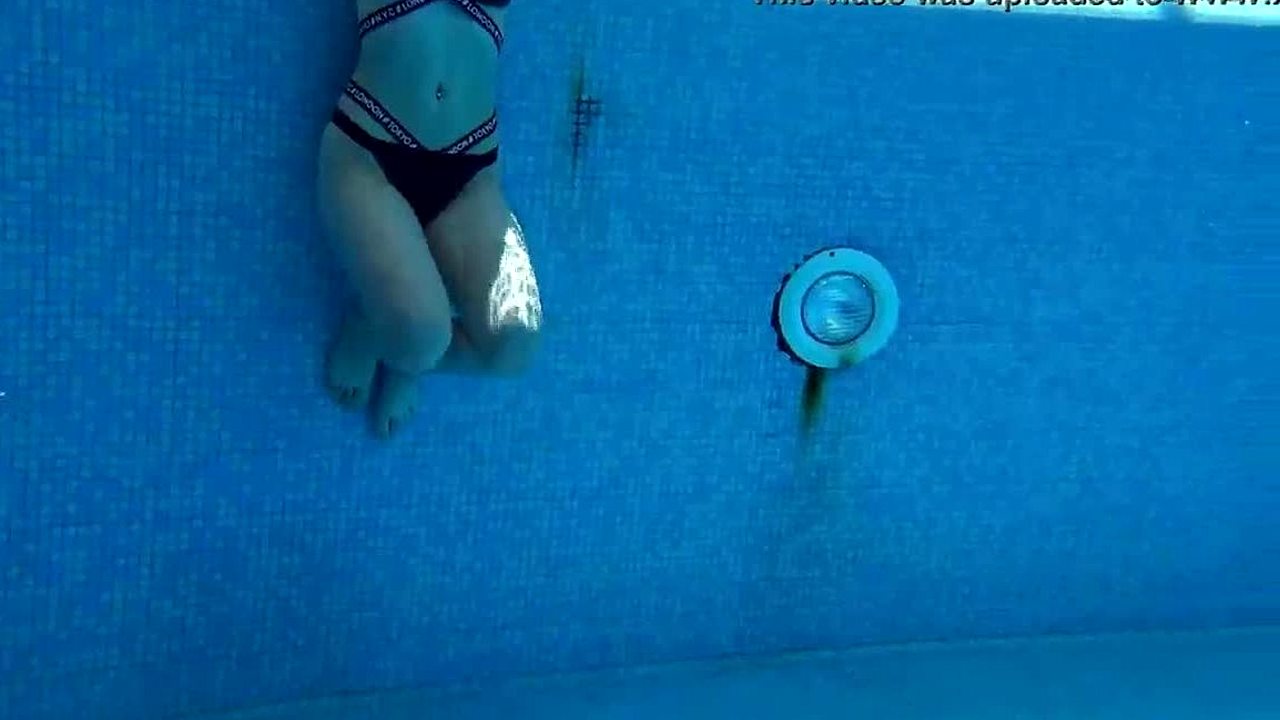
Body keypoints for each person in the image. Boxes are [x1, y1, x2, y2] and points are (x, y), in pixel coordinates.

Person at [316, 0, 542, 438]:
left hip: (471, 176)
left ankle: (389, 336)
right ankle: (385, 330)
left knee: (516, 344)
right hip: (369, 155)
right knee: (421, 336)